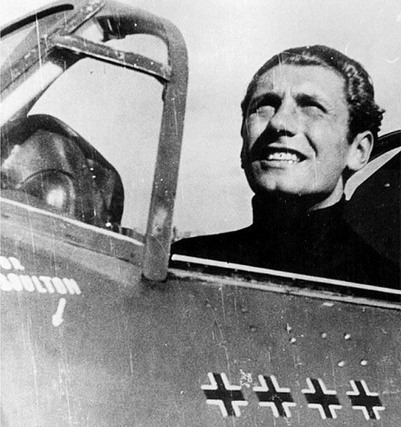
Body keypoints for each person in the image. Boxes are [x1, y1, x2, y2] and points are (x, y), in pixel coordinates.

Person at [172, 45, 399, 288]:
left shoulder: (388, 290)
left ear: (358, 150)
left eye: (312, 107)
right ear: (243, 143)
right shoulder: (181, 265)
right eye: (264, 106)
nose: (278, 122)